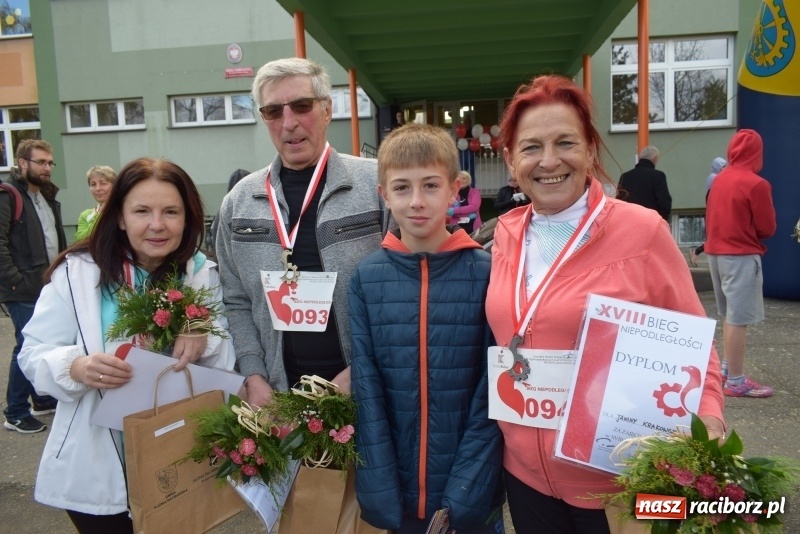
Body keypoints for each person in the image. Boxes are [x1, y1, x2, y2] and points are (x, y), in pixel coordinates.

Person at [487, 74, 725, 533]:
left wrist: (709, 419)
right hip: (525, 477)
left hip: (620, 483)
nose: (549, 161)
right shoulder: (505, 235)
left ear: (591, 151)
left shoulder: (643, 232)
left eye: (566, 143)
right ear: (511, 161)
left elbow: (696, 346)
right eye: (531, 147)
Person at [17, 157, 235, 533]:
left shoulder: (201, 274)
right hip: (98, 462)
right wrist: (76, 367)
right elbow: (34, 354)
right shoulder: (79, 274)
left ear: (188, 218)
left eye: (171, 211)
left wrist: (202, 328)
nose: (157, 224)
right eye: (141, 211)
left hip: (179, 456)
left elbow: (227, 363)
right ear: (119, 216)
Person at [349, 123, 504, 533]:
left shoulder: (488, 274)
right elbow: (367, 390)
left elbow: (492, 393)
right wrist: (380, 491)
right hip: (398, 501)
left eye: (431, 186)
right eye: (402, 188)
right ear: (384, 194)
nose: (416, 202)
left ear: (455, 189)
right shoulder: (365, 279)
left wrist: (463, 497)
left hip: (472, 497)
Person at [215, 57, 389, 406]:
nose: (289, 122)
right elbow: (235, 300)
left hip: (368, 390)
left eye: (301, 106)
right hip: (278, 398)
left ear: (327, 110)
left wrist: (363, 370)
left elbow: (405, 291)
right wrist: (253, 374)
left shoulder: (377, 185)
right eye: (273, 111)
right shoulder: (239, 202)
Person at [705, 129, 776, 398]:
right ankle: (736, 380)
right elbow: (767, 227)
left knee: (728, 316)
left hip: (716, 252)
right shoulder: (756, 184)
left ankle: (727, 368)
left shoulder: (719, 180)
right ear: (757, 152)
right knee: (738, 319)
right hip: (740, 254)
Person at [1, 139, 66, 434]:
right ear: (22, 163)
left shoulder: (47, 197)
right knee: (27, 345)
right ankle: (15, 412)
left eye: (50, 163)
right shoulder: (8, 195)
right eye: (41, 162)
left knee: (47, 340)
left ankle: (40, 399)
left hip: (46, 284)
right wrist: (13, 280)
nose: (47, 168)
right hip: (22, 287)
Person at [616, 145, 672, 221]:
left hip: (629, 224)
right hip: (650, 223)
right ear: (655, 159)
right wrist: (661, 222)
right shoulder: (658, 176)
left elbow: (619, 203)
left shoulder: (625, 177)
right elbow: (665, 204)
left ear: (639, 158)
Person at [690, 156, 727, 265]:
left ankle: (697, 252)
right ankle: (696, 252)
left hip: (717, 211)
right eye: (723, 166)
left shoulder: (715, 177)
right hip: (715, 212)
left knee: (716, 237)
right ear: (717, 167)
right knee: (715, 237)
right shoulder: (714, 178)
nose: (726, 168)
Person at [75, 165, 116, 240]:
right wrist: (100, 213)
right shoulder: (85, 215)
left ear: (114, 186)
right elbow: (80, 240)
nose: (98, 188)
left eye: (103, 183)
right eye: (93, 184)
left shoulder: (124, 210)